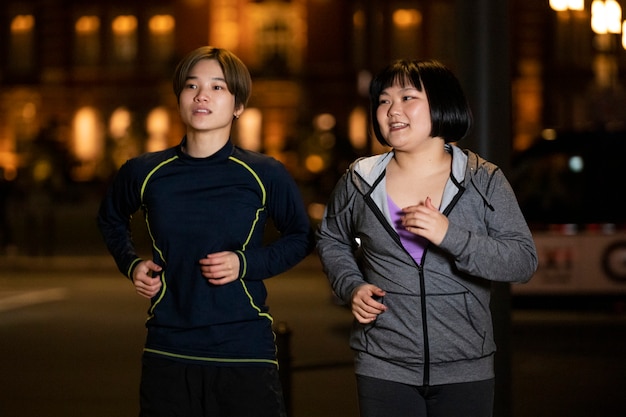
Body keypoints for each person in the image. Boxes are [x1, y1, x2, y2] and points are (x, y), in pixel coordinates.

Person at [97, 46, 313, 417]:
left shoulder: (264, 173)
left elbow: (301, 236)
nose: (201, 95)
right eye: (191, 86)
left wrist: (244, 264)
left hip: (243, 348)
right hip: (168, 347)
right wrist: (131, 264)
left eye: (217, 87)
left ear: (238, 105)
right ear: (179, 97)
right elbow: (110, 217)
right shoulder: (144, 171)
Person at [316, 59, 538, 417]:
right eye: (384, 100)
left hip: (466, 366)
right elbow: (330, 239)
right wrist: (351, 286)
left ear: (441, 103)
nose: (392, 110)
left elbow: (522, 260)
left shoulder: (483, 180)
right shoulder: (359, 180)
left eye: (407, 97)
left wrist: (450, 235)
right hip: (382, 363)